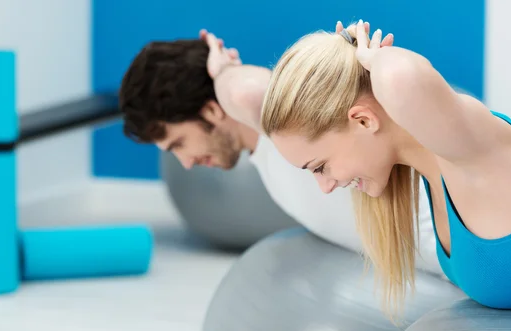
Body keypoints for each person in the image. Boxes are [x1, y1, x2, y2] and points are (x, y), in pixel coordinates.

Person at [260, 19, 511, 323]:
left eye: (320, 167)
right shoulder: (433, 176)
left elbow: (402, 78)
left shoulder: (471, 155)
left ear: (364, 120)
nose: (325, 186)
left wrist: (368, 56)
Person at [117, 26, 446, 281]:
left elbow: (246, 93)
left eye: (178, 144)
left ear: (212, 111)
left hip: (470, 249)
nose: (186, 163)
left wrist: (223, 72)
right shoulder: (275, 157)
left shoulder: (279, 117)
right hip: (457, 270)